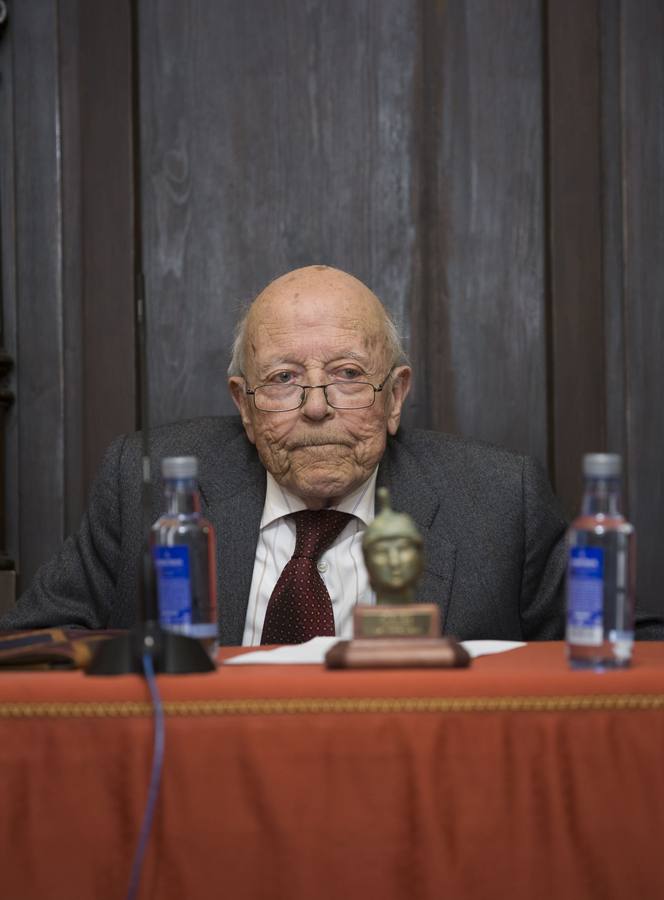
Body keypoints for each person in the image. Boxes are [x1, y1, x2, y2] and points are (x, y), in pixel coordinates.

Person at [2, 265, 658, 643]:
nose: (317, 407)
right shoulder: (143, 482)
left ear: (395, 395)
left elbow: (602, 665)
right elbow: (32, 646)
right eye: (284, 379)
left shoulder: (498, 499)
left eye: (347, 374)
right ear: (244, 403)